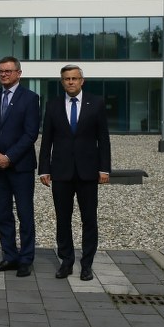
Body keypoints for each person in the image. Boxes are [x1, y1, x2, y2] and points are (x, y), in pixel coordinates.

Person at [39, 64, 111, 281]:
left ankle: (87, 264)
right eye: (66, 79)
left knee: (89, 219)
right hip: (61, 172)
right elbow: (47, 140)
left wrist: (104, 168)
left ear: (82, 81)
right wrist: (44, 169)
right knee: (63, 219)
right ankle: (66, 261)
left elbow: (103, 138)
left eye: (74, 78)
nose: (70, 82)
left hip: (88, 172)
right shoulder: (52, 105)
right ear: (62, 82)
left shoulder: (96, 103)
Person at [0, 56, 40, 276]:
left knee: (25, 214)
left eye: (8, 71)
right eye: (0, 71)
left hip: (21, 167)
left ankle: (26, 259)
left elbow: (30, 133)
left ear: (19, 73)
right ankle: (9, 256)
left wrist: (9, 157)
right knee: (3, 214)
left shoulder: (31, 98)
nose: (4, 74)